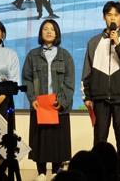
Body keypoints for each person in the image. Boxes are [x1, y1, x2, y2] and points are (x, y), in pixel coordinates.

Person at [23, 19, 75, 180]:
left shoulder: (65, 56)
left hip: (58, 106)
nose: (49, 31)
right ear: (41, 33)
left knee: (57, 141)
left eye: (52, 29)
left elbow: (69, 82)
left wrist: (62, 101)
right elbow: (27, 79)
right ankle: (41, 172)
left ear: (57, 33)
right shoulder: (33, 55)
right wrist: (32, 99)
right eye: (45, 29)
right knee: (41, 140)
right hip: (40, 105)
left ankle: (56, 172)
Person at [82, 1, 120, 150]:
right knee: (99, 141)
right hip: (100, 98)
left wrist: (118, 44)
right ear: (104, 17)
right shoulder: (94, 42)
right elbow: (87, 70)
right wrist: (86, 96)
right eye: (109, 15)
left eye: (116, 15)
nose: (112, 18)